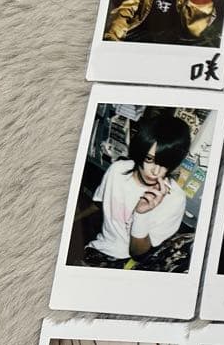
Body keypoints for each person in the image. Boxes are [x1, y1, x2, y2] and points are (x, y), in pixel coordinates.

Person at [81, 111, 191, 269]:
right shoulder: (117, 170)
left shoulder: (175, 199)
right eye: (149, 159)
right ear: (140, 150)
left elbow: (137, 253)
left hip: (136, 262)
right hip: (101, 251)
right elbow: (99, 203)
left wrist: (141, 214)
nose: (156, 171)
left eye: (165, 163)